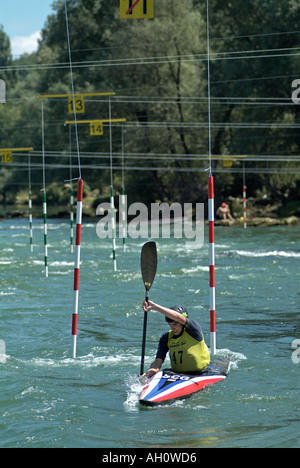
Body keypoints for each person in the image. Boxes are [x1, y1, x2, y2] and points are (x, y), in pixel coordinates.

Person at [142, 301, 210, 378]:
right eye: (170, 324)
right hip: (176, 375)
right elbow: (158, 361)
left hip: (199, 374)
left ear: (182, 323)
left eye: (175, 324)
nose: (172, 327)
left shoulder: (194, 330)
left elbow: (179, 318)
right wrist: (148, 374)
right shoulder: (166, 337)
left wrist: (156, 307)